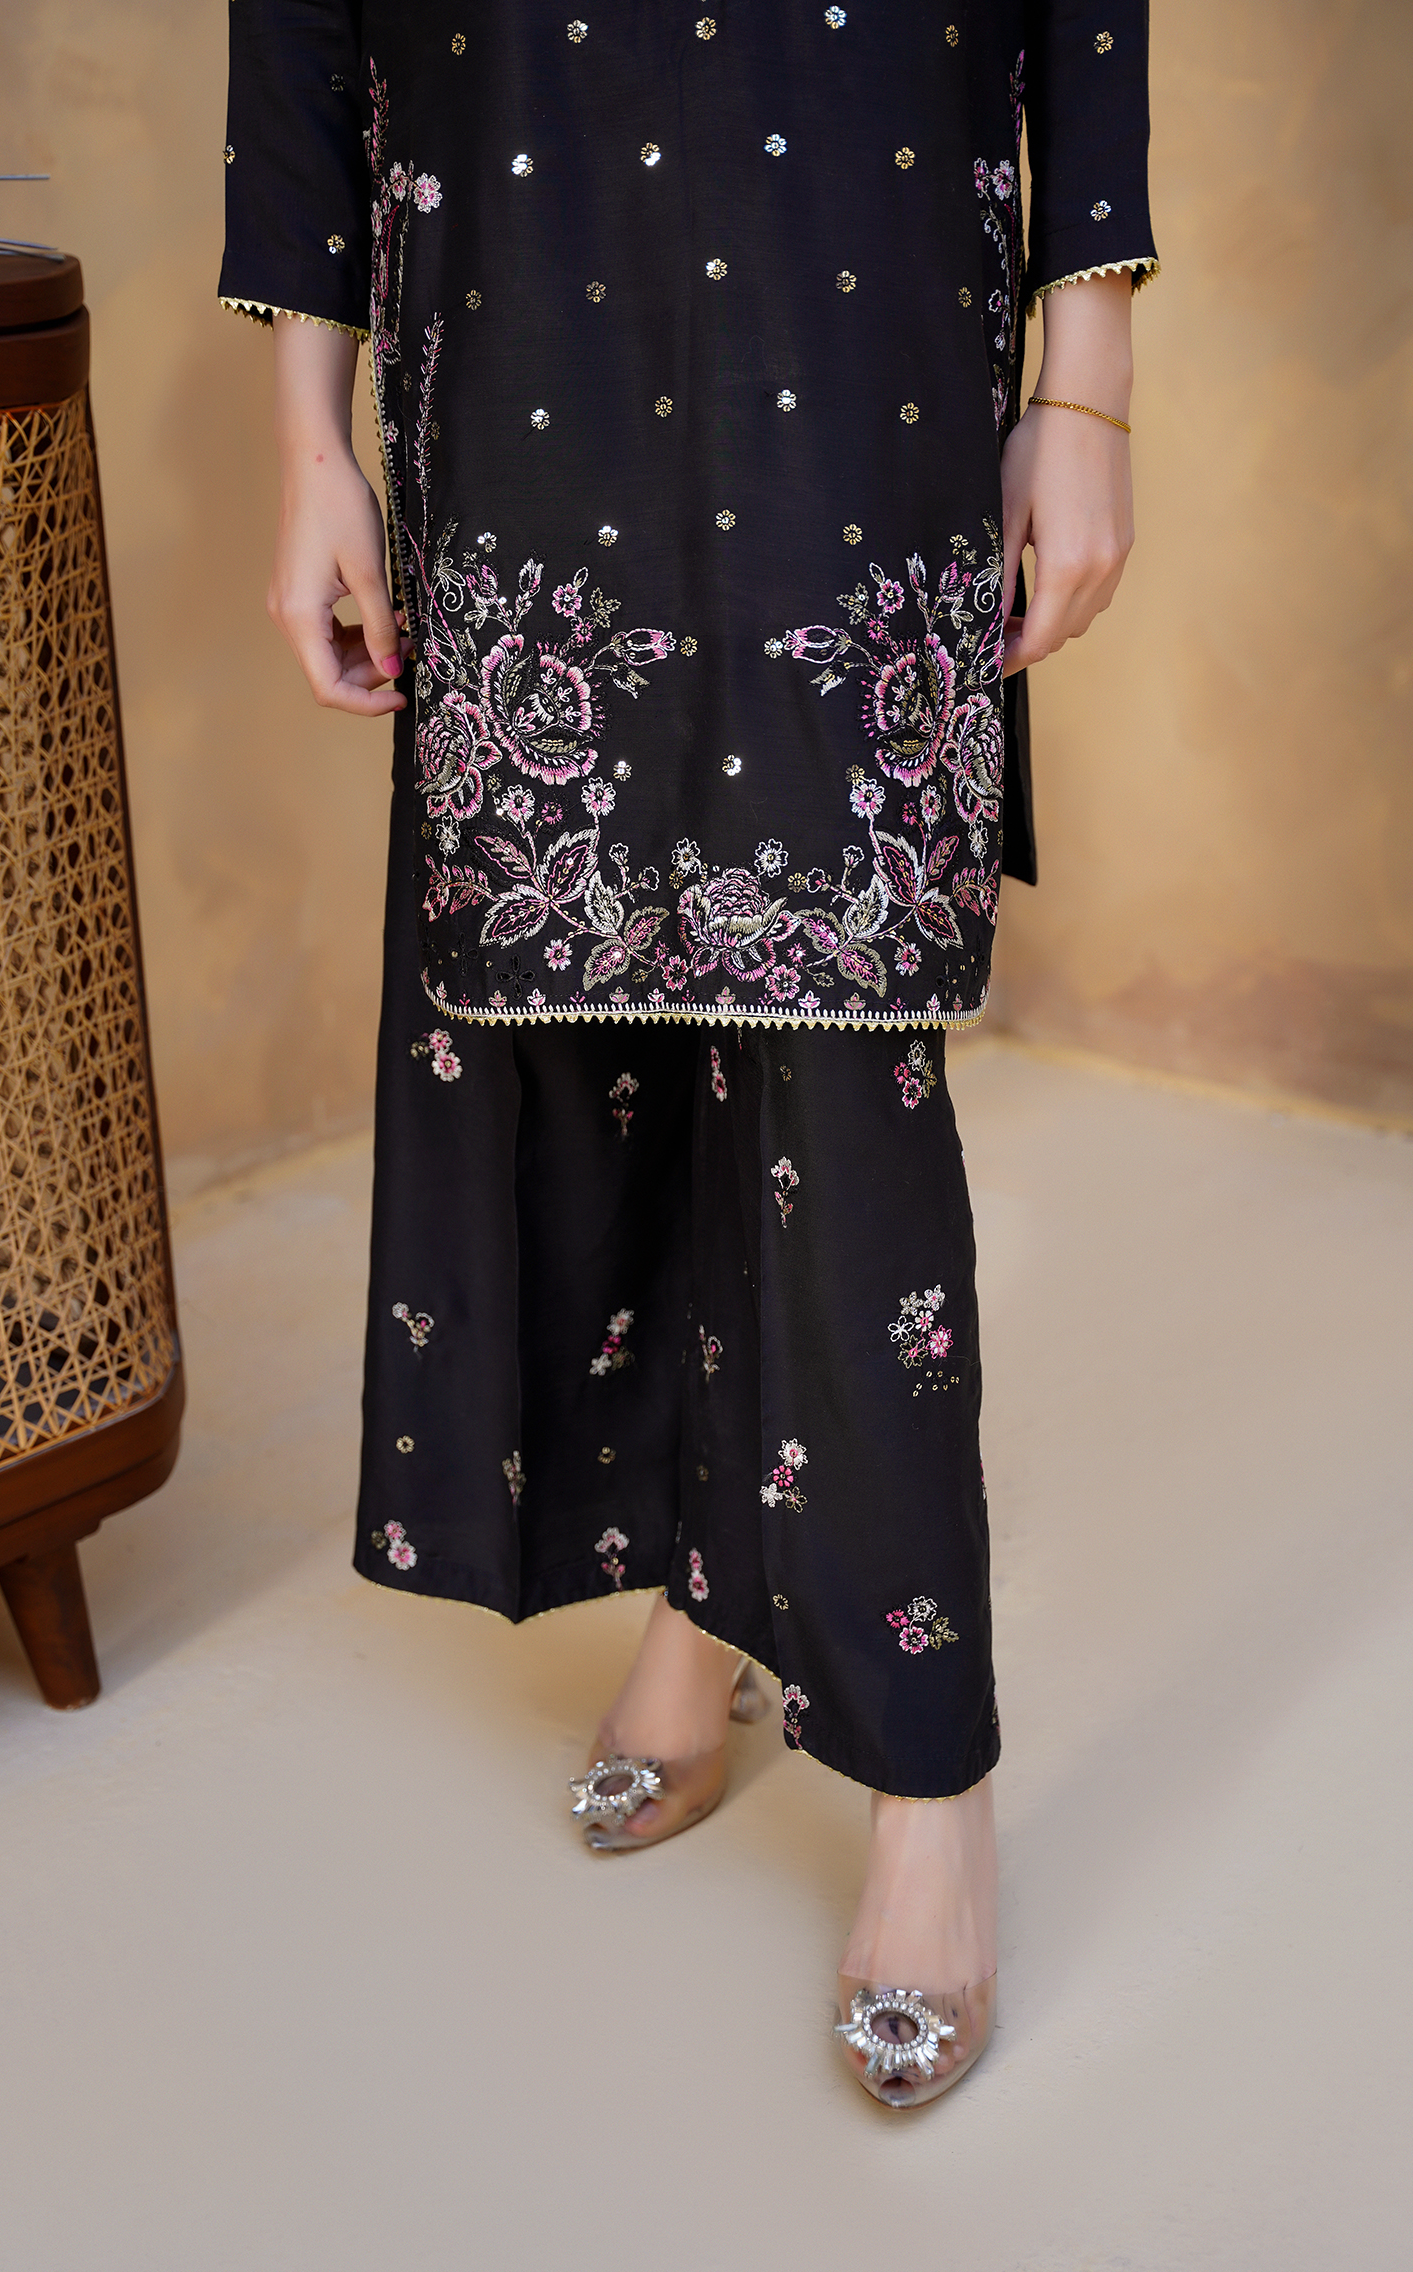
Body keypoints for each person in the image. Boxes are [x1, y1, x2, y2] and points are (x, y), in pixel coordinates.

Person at [220, 1, 1155, 2109]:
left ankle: (925, 1771)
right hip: (517, 241)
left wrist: (1082, 375)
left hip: (856, 235)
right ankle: (703, 1591)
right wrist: (309, 440)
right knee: (594, 1001)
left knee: (832, 1018)